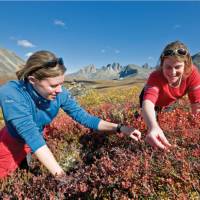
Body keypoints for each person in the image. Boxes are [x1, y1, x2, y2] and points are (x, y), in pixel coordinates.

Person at [0, 50, 141, 179]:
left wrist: (120, 128)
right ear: (32, 80)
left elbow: (84, 118)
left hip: (37, 138)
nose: (60, 90)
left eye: (62, 83)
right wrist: (63, 179)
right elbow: (32, 137)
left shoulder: (60, 94)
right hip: (12, 141)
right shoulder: (11, 94)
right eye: (53, 85)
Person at [140, 40, 200, 150]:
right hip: (152, 100)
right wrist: (153, 127)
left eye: (177, 67)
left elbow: (196, 104)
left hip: (169, 101)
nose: (172, 72)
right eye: (168, 67)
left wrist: (195, 129)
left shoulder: (193, 74)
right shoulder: (155, 76)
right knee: (148, 122)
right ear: (162, 65)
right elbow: (148, 103)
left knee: (164, 123)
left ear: (186, 65)